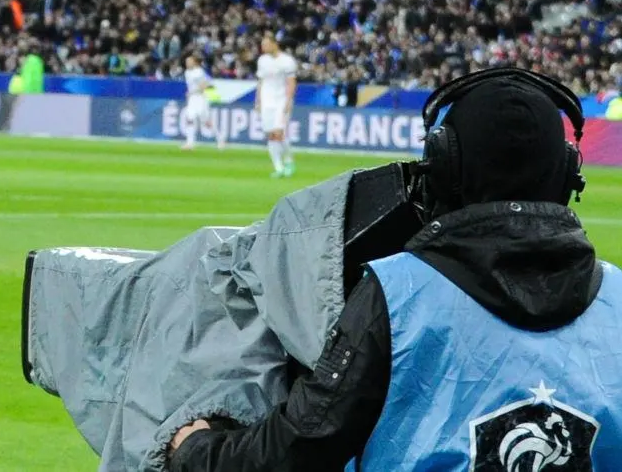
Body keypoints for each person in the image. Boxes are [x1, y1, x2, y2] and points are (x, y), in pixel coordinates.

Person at [170, 66, 620, 471]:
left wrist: (196, 451)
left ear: (442, 165)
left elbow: (297, 449)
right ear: (566, 175)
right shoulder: (617, 299)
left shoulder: (397, 291)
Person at [254, 35, 297, 178]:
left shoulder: (287, 61)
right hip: (267, 101)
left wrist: (289, 101)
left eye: (266, 44)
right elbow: (260, 82)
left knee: (279, 132)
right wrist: (258, 101)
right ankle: (278, 167)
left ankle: (289, 160)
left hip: (281, 100)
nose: (263, 48)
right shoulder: (262, 60)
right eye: (262, 45)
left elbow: (291, 82)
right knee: (271, 135)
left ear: (274, 44)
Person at [180, 53, 218, 152]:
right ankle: (190, 143)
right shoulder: (187, 72)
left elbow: (205, 86)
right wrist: (190, 94)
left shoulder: (199, 72)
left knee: (206, 121)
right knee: (190, 117)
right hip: (192, 99)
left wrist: (191, 92)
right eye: (186, 62)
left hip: (200, 98)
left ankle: (219, 137)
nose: (187, 63)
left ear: (195, 62)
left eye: (189, 61)